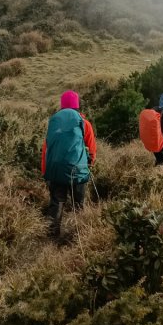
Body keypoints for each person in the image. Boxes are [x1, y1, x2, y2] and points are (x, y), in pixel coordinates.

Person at [41, 90, 97, 238]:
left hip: (55, 170)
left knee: (57, 203)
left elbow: (46, 148)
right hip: (77, 171)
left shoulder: (54, 122)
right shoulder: (84, 123)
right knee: (78, 204)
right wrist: (89, 164)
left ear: (62, 106)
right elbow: (91, 149)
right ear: (77, 106)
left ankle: (52, 237)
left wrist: (45, 172)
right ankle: (79, 236)